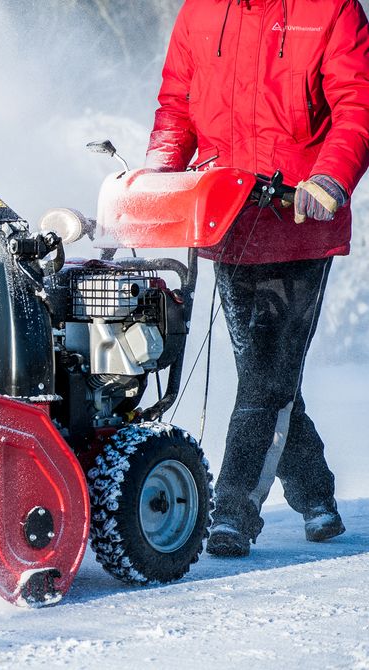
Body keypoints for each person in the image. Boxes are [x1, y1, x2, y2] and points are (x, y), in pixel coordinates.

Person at [146, 0, 369, 557]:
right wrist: (159, 175)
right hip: (224, 220)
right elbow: (177, 105)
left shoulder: (331, 9)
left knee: (265, 376)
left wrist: (329, 179)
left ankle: (233, 510)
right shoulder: (200, 11)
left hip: (299, 222)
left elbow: (357, 104)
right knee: (265, 374)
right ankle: (315, 493)